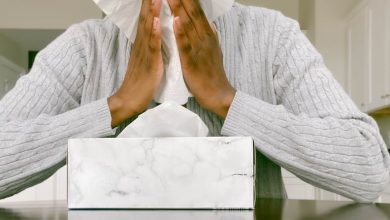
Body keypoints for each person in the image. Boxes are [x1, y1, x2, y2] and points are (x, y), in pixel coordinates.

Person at [0, 0, 389, 202]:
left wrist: (227, 99)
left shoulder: (272, 38)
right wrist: (116, 105)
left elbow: (370, 168)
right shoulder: (86, 47)